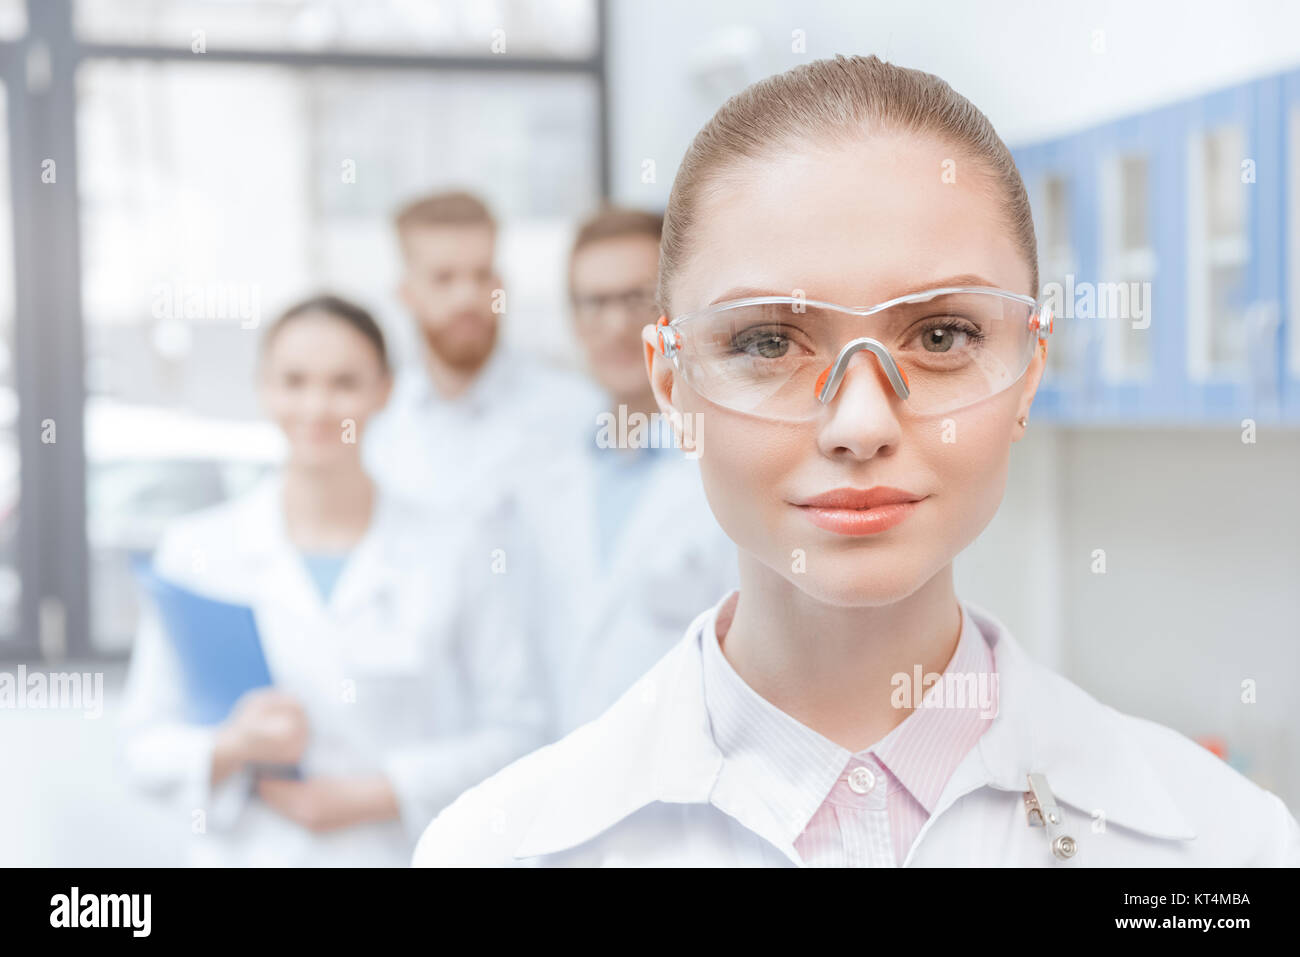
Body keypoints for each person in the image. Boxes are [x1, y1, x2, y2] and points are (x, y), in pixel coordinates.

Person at [412, 55, 1300, 867]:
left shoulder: (1223, 850)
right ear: (672, 385)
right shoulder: (503, 850)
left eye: (943, 334)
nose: (861, 423)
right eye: (768, 340)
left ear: (1030, 369)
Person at [120, 294, 546, 867]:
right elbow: (142, 748)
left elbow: (519, 733)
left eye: (344, 383)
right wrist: (231, 746)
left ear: (385, 391)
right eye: (293, 381)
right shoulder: (197, 551)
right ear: (264, 389)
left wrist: (378, 794)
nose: (317, 406)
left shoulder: (458, 548)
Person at [511, 206, 736, 740]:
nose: (613, 326)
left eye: (635, 299)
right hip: (561, 789)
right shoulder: (541, 475)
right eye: (593, 303)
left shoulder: (732, 465)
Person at [364, 190, 602, 510]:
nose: (467, 298)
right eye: (443, 278)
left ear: (501, 285)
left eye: (482, 275)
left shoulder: (578, 412)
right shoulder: (377, 425)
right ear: (406, 293)